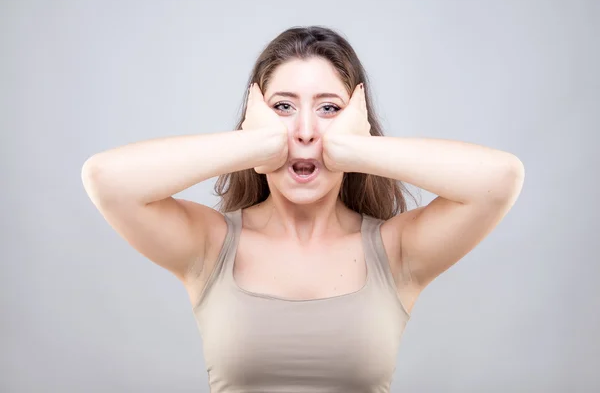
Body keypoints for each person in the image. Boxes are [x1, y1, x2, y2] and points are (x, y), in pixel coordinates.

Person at [81, 26, 525, 393]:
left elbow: (500, 180)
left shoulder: (396, 251)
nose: (306, 129)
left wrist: (353, 149)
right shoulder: (210, 244)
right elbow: (106, 179)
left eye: (329, 108)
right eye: (283, 107)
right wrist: (256, 144)